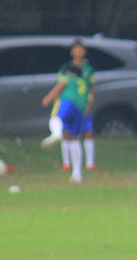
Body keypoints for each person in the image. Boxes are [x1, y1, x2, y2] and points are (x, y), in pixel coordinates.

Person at [41, 41, 94, 184]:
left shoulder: (69, 76)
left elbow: (60, 85)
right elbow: (91, 91)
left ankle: (56, 134)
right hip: (81, 106)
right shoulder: (83, 79)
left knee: (55, 118)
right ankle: (77, 174)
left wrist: (49, 97)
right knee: (74, 138)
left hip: (69, 101)